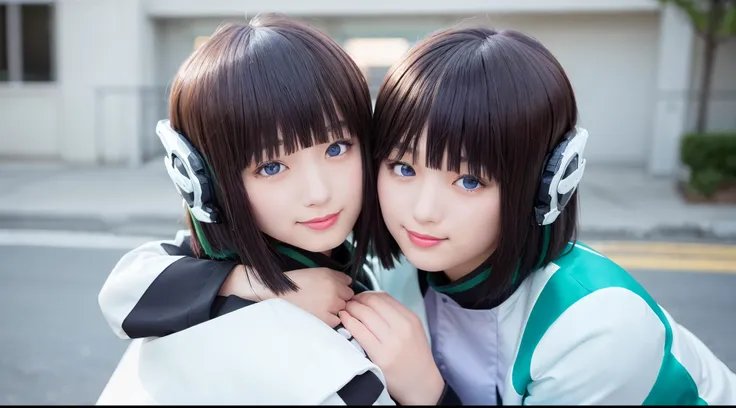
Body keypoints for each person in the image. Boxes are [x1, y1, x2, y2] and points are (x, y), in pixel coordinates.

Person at [99, 24, 736, 405]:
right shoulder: (389, 261)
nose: (422, 210)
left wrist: (423, 389)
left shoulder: (597, 330)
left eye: (468, 179)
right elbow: (132, 286)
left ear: (548, 184)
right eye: (403, 168)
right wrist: (265, 284)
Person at [95, 14, 423, 405]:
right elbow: (122, 294)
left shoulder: (362, 263)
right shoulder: (222, 276)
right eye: (271, 167)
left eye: (336, 148)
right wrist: (261, 286)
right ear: (204, 182)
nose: (318, 193)